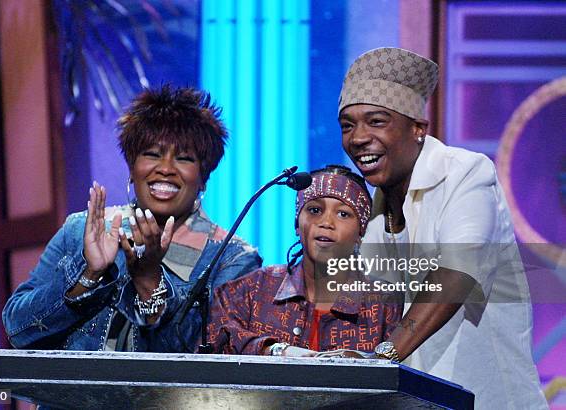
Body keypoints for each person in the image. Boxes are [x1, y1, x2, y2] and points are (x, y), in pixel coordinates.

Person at [338, 47, 546, 408]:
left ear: (418, 128)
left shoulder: (464, 173)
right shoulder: (377, 209)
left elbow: (454, 275)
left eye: (376, 121)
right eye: (347, 125)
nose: (357, 138)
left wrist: (381, 359)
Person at [2, 85, 262, 352]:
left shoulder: (231, 260)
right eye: (152, 154)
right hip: (70, 395)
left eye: (184, 158)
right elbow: (18, 330)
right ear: (131, 168)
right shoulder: (81, 229)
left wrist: (150, 281)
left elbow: (208, 360)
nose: (165, 169)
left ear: (203, 177)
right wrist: (89, 275)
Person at [208, 165, 402, 357]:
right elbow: (214, 348)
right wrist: (274, 351)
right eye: (315, 210)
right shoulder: (246, 292)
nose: (326, 223)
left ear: (361, 232)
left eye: (343, 214)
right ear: (297, 225)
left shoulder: (385, 304)